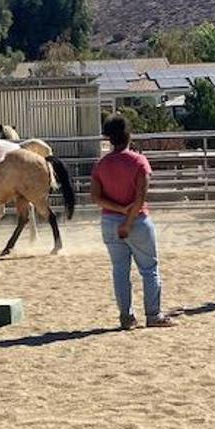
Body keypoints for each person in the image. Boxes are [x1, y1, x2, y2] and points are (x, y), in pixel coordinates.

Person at [90, 115, 174, 330]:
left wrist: (118, 209)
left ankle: (126, 316)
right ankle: (153, 314)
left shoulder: (101, 164)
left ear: (109, 138)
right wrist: (127, 220)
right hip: (137, 222)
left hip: (109, 221)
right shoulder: (139, 161)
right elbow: (140, 197)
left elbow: (97, 198)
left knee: (119, 270)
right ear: (129, 135)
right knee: (149, 269)